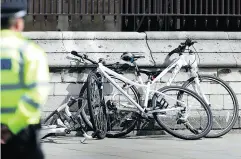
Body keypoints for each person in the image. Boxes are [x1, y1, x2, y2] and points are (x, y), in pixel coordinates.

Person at [1, 1, 50, 159]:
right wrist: (11, 127)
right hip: (22, 133)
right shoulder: (31, 52)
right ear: (18, 23)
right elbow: (37, 94)